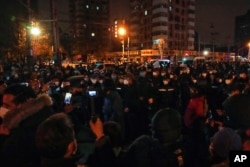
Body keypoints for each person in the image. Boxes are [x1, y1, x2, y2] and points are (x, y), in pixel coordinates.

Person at [0, 84, 55, 167]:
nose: (3, 108)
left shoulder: (26, 129)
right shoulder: (43, 113)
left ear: (23, 105)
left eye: (7, 105)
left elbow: (7, 159)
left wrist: (3, 137)